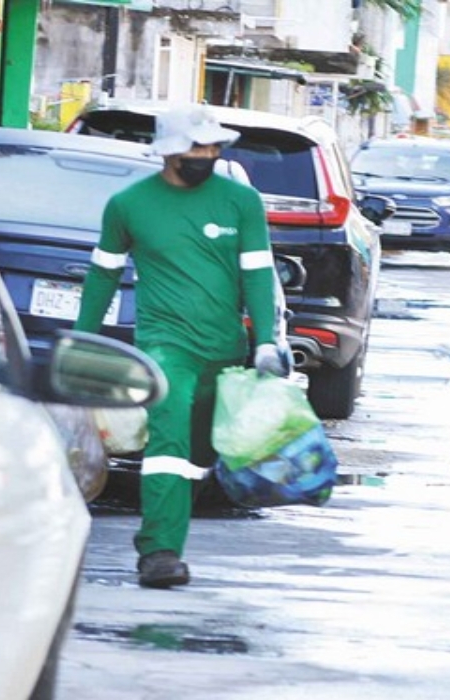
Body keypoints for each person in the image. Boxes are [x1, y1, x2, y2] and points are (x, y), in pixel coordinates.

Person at [74, 103, 288, 589]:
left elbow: (257, 271)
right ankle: (160, 552)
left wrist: (267, 342)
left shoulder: (241, 202)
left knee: (196, 455)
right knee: (168, 443)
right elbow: (104, 273)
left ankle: (167, 526)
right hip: (165, 344)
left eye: (213, 146)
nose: (206, 154)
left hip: (225, 348)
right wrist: (85, 339)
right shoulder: (129, 205)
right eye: (196, 146)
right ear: (169, 152)